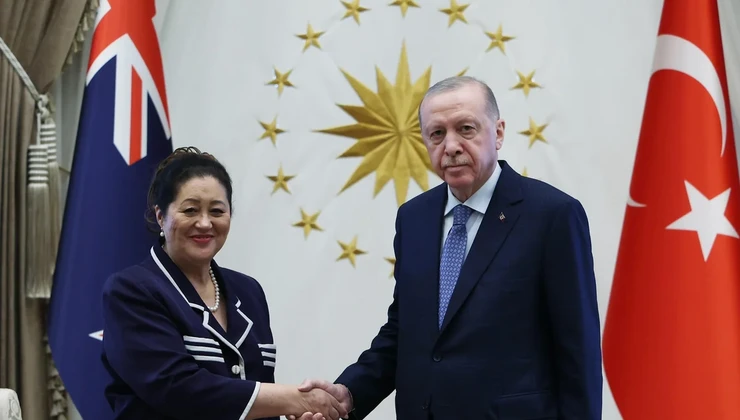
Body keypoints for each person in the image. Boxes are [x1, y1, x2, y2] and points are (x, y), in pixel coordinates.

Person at [295, 76, 602, 419]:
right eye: (437, 134)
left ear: (498, 133)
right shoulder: (413, 218)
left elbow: (578, 351)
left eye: (466, 129)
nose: (451, 146)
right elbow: (405, 333)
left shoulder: (552, 215)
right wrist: (349, 394)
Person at [100, 147, 347, 420]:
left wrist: (298, 411)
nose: (205, 223)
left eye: (217, 211)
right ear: (161, 216)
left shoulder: (248, 291)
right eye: (190, 210)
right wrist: (293, 399)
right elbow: (177, 388)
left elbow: (259, 397)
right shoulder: (132, 291)